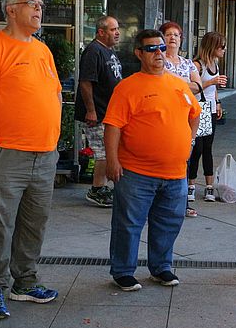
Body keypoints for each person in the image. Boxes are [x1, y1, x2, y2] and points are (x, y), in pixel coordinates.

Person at [0, 0, 61, 320]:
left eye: (39, 4)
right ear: (11, 9)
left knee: (34, 223)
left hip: (45, 154)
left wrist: (52, 142)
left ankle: (25, 282)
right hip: (8, 155)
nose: (38, 9)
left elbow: (52, 95)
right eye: (31, 3)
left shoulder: (42, 50)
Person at [104, 29, 201, 291]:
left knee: (169, 222)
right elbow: (112, 126)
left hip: (175, 173)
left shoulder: (179, 85)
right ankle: (123, 271)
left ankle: (161, 267)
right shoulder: (127, 87)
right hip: (136, 172)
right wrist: (112, 161)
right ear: (139, 53)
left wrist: (188, 142)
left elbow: (195, 114)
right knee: (128, 224)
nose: (158, 53)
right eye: (150, 49)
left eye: (160, 48)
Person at [75, 16, 123, 207]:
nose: (117, 32)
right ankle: (96, 189)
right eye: (112, 29)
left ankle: (102, 187)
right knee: (103, 152)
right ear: (101, 32)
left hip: (110, 113)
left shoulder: (108, 51)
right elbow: (86, 82)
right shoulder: (94, 51)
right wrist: (91, 110)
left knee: (110, 151)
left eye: (118, 28)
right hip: (98, 113)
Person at [160, 21, 204, 218]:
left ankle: (182, 202)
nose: (172, 38)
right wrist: (187, 84)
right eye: (168, 34)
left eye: (176, 35)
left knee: (184, 160)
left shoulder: (187, 63)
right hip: (164, 117)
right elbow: (164, 81)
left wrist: (176, 82)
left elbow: (199, 86)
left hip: (187, 119)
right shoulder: (159, 61)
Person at [190, 32, 228, 205]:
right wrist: (211, 82)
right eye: (221, 46)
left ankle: (209, 186)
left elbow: (214, 91)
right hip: (198, 110)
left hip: (211, 110)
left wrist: (218, 102)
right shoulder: (197, 66)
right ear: (212, 46)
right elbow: (192, 89)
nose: (224, 50)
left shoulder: (215, 64)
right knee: (197, 148)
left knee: (208, 148)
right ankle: (191, 185)